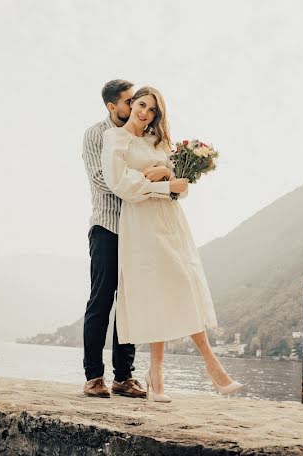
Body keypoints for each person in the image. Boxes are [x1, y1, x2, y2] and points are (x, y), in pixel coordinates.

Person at [100, 85, 243, 402]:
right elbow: (121, 184)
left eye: (152, 110)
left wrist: (166, 173)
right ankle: (209, 366)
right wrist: (162, 185)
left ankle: (158, 375)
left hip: (170, 221)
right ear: (132, 104)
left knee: (181, 283)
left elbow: (181, 188)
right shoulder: (116, 139)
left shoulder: (159, 142)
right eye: (141, 105)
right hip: (141, 223)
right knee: (159, 289)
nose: (144, 113)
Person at [81, 79, 146, 399]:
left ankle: (124, 377)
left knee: (131, 304)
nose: (135, 105)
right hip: (106, 226)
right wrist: (144, 182)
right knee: (101, 301)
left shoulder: (140, 135)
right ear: (112, 107)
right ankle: (94, 376)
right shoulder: (95, 134)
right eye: (129, 100)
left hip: (137, 230)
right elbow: (101, 178)